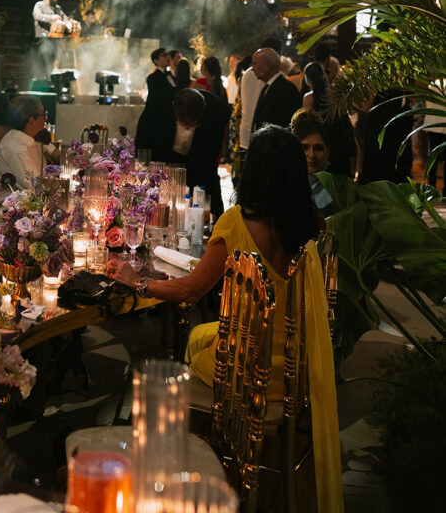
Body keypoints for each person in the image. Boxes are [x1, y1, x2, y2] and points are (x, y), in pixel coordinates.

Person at [107, 125, 341, 513]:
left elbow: (189, 292)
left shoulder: (236, 223)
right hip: (297, 370)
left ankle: (200, 460)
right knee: (205, 331)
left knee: (195, 339)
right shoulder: (313, 227)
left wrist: (140, 281)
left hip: (247, 375)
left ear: (254, 172)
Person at [151, 87, 230, 216]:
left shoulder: (218, 113)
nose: (187, 128)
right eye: (184, 124)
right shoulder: (162, 106)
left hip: (202, 162)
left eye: (192, 125)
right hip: (171, 158)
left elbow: (209, 162)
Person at [302, 62, 356, 177]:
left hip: (319, 144)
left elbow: (305, 123)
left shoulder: (309, 97)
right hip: (338, 144)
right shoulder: (335, 95)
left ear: (308, 78)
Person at [0, 97, 47, 191]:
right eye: (43, 115)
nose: (45, 119)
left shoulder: (26, 138)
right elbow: (36, 187)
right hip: (8, 204)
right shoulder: (18, 149)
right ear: (31, 120)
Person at [290, 108, 335, 210]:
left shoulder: (338, 188)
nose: (311, 155)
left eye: (318, 148)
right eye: (305, 147)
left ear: (328, 151)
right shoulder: (284, 183)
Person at [250, 48, 301, 134]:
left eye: (255, 64)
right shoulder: (268, 87)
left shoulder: (286, 89)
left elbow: (289, 126)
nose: (252, 68)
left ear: (268, 65)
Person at [134, 49, 175, 152]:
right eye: (164, 55)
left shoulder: (172, 76)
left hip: (169, 119)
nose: (168, 57)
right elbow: (159, 97)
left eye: (168, 55)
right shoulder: (153, 78)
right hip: (156, 120)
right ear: (156, 60)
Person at [32, 0, 67, 76]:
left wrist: (70, 22)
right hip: (42, 39)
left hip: (55, 39)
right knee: (44, 62)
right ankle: (44, 79)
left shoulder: (57, 8)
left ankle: (53, 79)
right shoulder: (39, 5)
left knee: (55, 62)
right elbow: (37, 16)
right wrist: (51, 17)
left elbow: (65, 18)